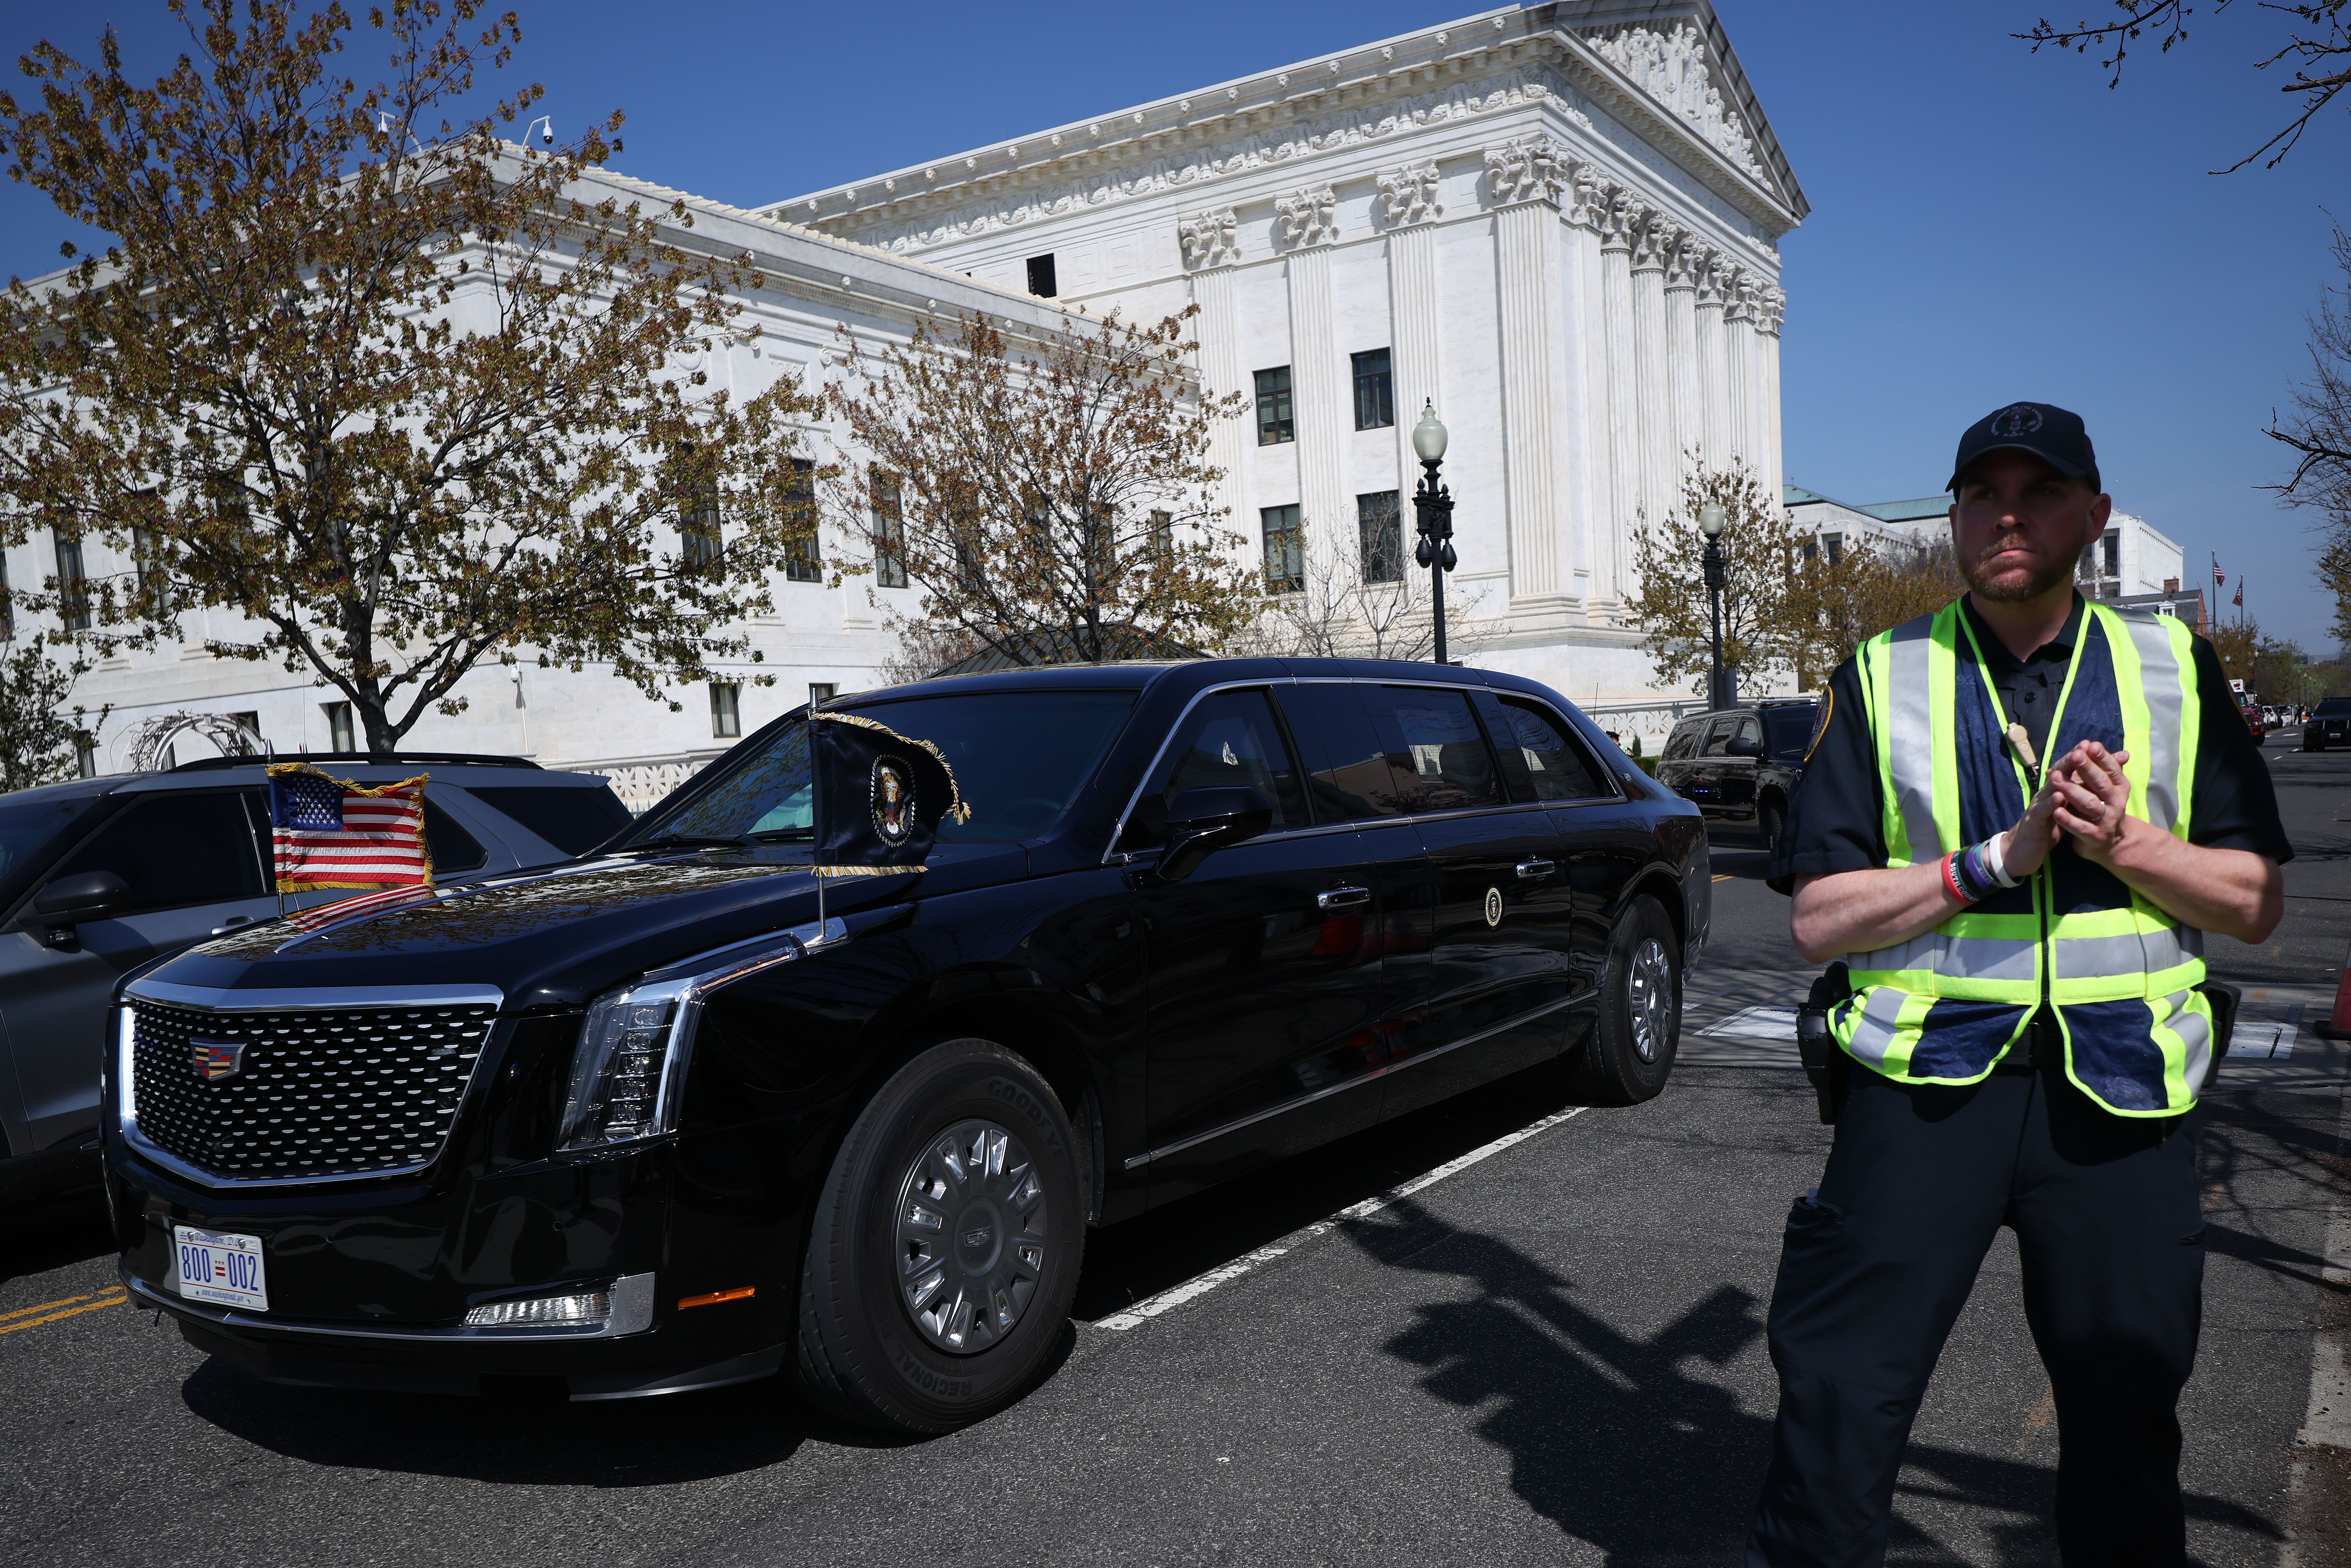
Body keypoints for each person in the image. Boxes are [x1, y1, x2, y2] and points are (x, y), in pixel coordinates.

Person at [1746, 402, 2290, 1567]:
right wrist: (1992, 862)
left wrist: (2124, 845)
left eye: (2039, 492)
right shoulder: (1881, 671)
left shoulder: (2172, 667)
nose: (2007, 513)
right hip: (1919, 1097)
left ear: (2092, 520)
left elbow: (2251, 902)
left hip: (2119, 1103)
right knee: (1839, 1398)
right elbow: (1814, 920)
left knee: (2125, 1416)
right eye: (1982, 492)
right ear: (1952, 518)